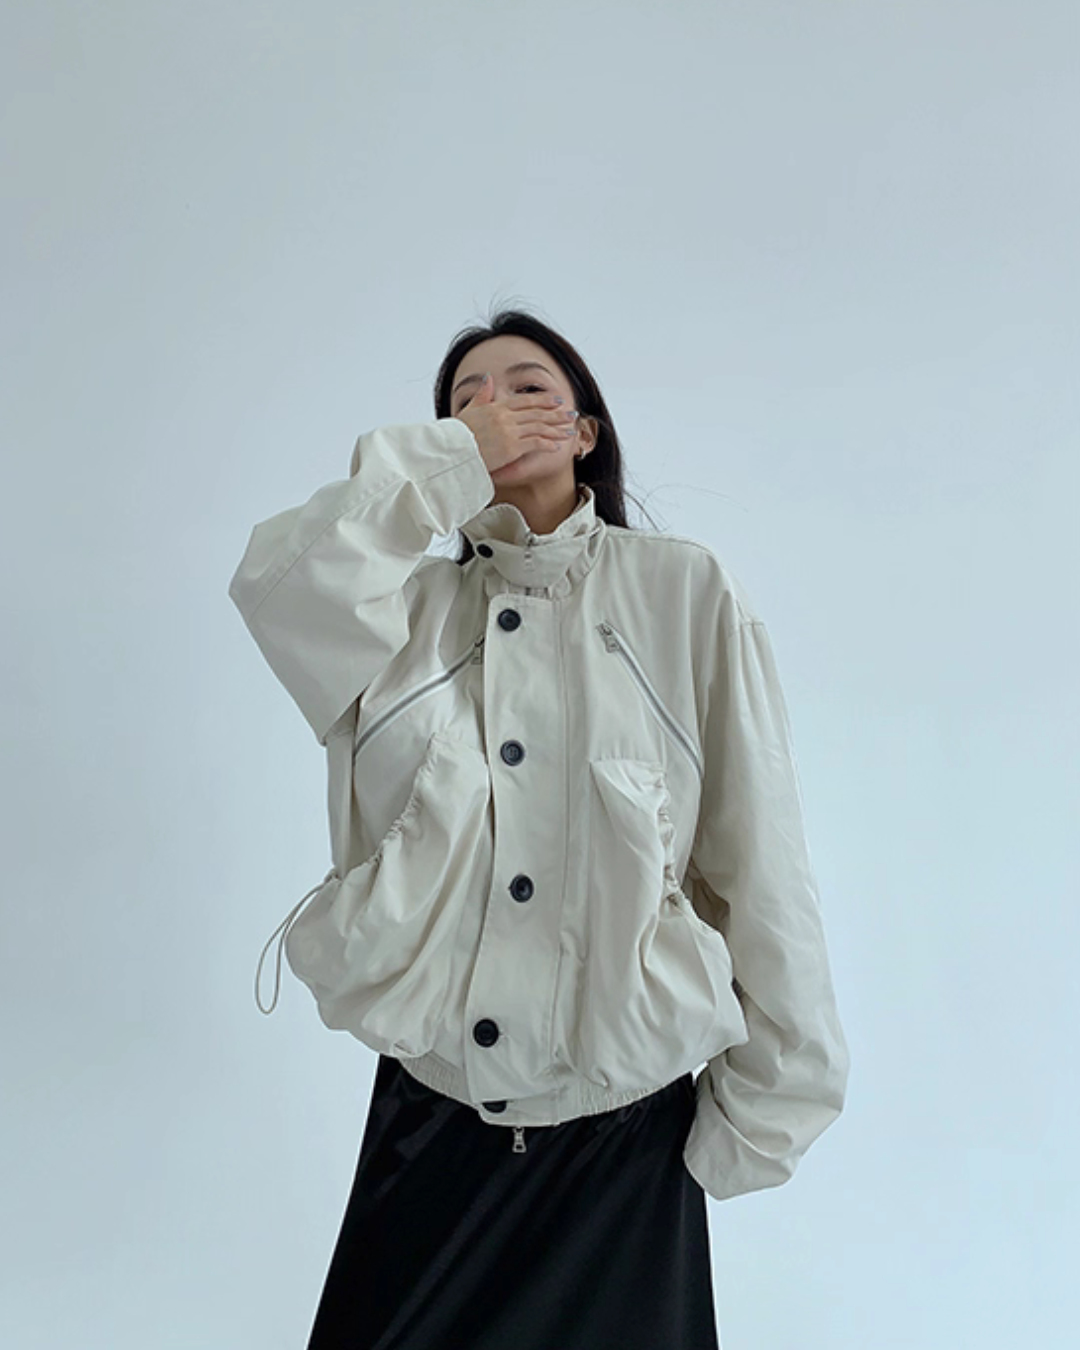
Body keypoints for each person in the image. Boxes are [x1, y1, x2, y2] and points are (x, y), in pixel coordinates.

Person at [228, 307, 850, 1349]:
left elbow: (761, 857)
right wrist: (444, 463)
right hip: (432, 1122)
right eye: (465, 400)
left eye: (528, 388)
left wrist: (773, 1101)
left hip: (625, 1140)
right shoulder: (397, 614)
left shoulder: (680, 591)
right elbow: (281, 584)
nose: (495, 408)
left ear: (585, 432)